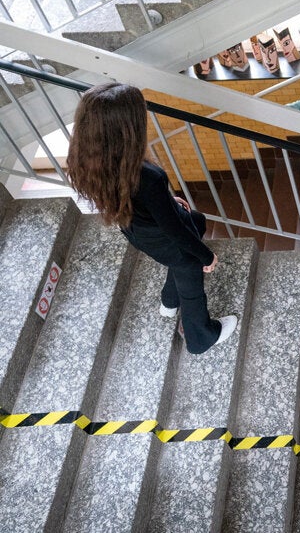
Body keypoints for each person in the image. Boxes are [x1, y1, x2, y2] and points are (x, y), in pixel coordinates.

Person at [66, 83, 236, 354]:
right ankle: (200, 336)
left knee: (197, 220)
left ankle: (169, 302)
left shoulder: (89, 161)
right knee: (189, 267)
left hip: (138, 232)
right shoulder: (147, 176)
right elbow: (175, 231)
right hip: (162, 237)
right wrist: (206, 257)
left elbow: (138, 201)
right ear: (128, 131)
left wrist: (167, 203)